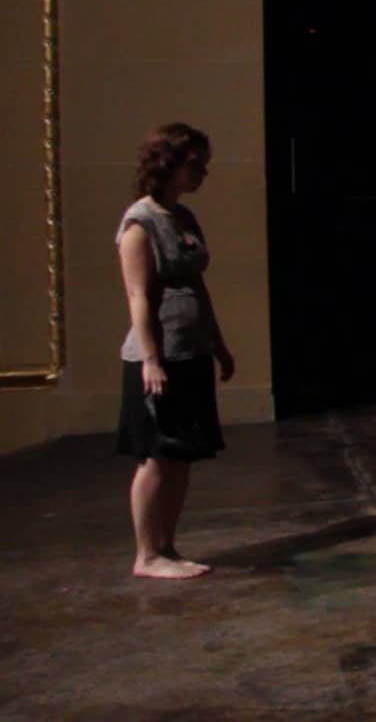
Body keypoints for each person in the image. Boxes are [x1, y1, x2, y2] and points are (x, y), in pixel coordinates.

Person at [116, 123, 235, 579]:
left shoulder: (183, 217)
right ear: (168, 164)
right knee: (157, 456)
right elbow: (138, 296)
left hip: (191, 351)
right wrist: (151, 359)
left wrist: (218, 344)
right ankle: (146, 555)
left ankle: (166, 547)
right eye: (195, 163)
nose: (203, 172)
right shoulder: (140, 223)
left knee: (182, 455)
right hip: (159, 358)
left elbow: (198, 287)